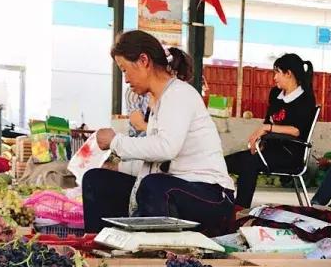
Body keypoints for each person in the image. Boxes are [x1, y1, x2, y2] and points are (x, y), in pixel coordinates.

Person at [84, 31, 236, 235]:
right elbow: (155, 163)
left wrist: (115, 142)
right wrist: (116, 166)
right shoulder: (159, 101)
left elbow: (166, 148)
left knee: (154, 185)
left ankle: (159, 250)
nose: (126, 79)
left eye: (125, 70)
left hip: (211, 196)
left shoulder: (179, 94)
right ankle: (103, 244)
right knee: (96, 180)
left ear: (143, 60)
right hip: (175, 188)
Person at [225, 53, 317, 208]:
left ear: (288, 74)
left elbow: (296, 131)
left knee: (249, 163)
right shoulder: (275, 94)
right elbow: (268, 120)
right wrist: (261, 142)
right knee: (224, 163)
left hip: (290, 154)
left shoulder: (305, 98)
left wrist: (266, 128)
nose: (274, 78)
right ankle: (223, 203)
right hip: (269, 150)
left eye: (277, 73)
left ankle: (239, 209)